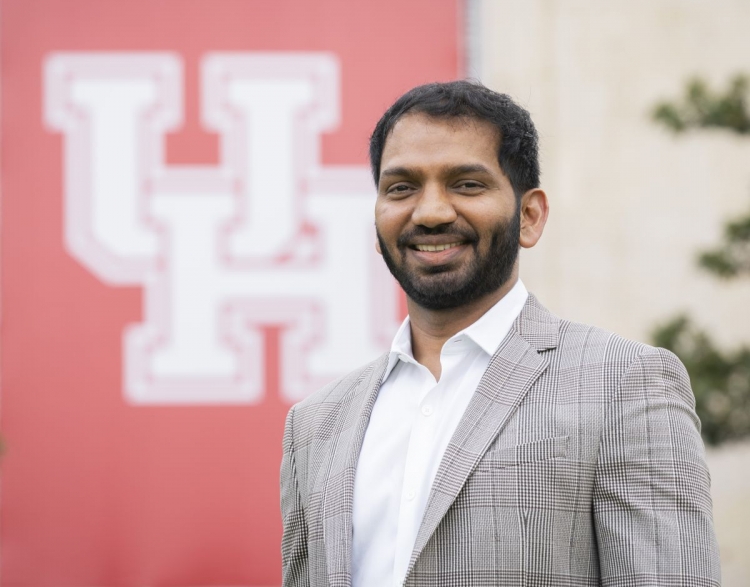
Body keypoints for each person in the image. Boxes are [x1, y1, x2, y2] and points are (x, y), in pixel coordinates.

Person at [280, 81, 721, 587]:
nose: (430, 212)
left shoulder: (624, 385)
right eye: (401, 187)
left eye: (466, 184)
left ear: (529, 216)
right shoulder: (315, 426)